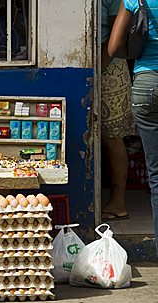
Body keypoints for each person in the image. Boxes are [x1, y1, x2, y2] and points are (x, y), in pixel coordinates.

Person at [108, 0, 158, 251]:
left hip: (146, 84)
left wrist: (137, 54)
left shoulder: (135, 0)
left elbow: (114, 47)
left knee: (156, 175)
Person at [100, 0, 135, 221]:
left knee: (112, 136)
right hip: (100, 64)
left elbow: (116, 37)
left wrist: (98, 66)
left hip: (110, 67)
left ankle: (118, 202)